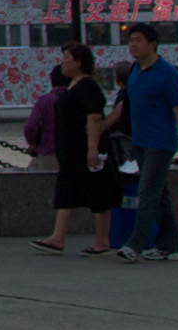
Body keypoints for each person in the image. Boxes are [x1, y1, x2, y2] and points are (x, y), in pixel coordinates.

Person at [114, 21, 178, 263]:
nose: (133, 45)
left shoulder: (167, 73)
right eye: (130, 41)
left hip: (160, 143)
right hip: (139, 141)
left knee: (147, 191)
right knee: (159, 194)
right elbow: (126, 107)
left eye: (138, 40)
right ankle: (170, 246)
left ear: (153, 44)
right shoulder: (134, 71)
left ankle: (135, 244)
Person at [33, 43, 118, 255]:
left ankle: (102, 241)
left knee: (96, 192)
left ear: (79, 62)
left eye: (67, 57)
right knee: (65, 193)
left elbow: (93, 117)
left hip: (84, 150)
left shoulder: (87, 86)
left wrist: (93, 149)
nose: (63, 62)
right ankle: (58, 238)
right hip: (70, 153)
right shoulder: (73, 86)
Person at [22, 64, 66, 170]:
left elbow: (30, 127)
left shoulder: (45, 100)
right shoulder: (77, 98)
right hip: (74, 155)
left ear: (51, 79)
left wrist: (33, 144)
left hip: (49, 153)